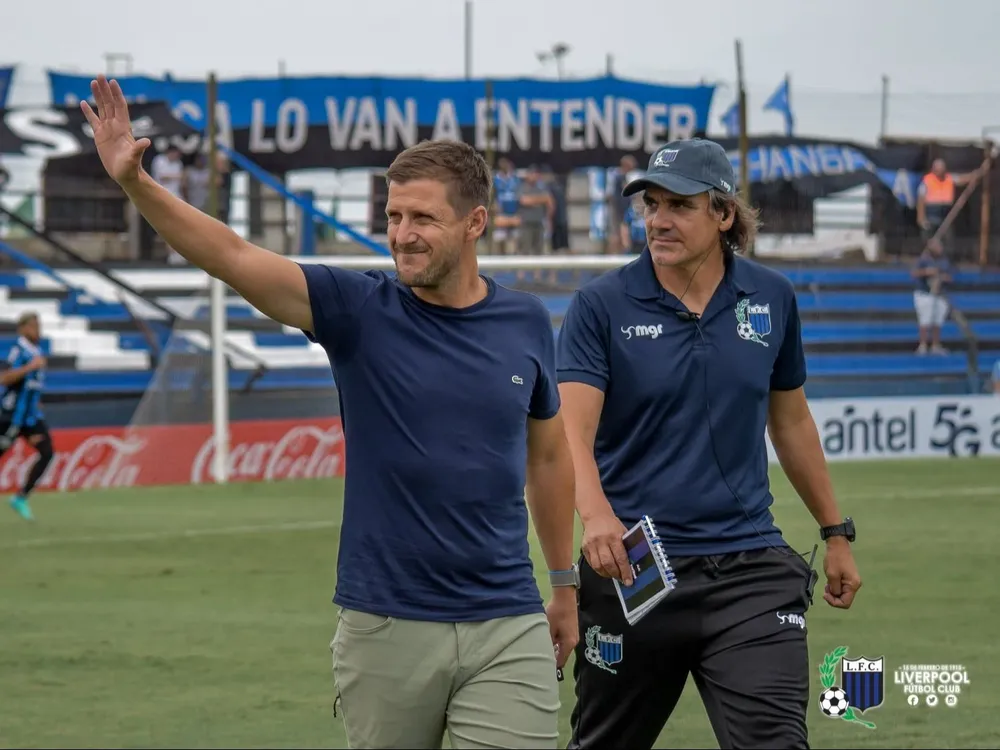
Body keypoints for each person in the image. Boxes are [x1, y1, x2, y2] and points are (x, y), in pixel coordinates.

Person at [81, 75, 578, 750]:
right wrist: (135, 183)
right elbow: (232, 255)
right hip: (386, 626)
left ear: (475, 223)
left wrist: (563, 585)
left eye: (423, 219)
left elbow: (547, 458)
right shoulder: (357, 308)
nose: (402, 235)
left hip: (507, 622)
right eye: (393, 216)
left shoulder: (526, 320)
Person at [557, 138, 862, 749]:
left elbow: (791, 422)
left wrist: (835, 532)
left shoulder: (771, 297)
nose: (658, 220)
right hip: (636, 569)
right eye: (651, 205)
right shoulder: (600, 305)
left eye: (679, 205)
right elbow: (571, 433)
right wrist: (596, 516)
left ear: (724, 214)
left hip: (749, 570)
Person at [2, 312, 54, 520]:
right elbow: (4, 378)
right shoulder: (18, 351)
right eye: (32, 326)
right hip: (12, 415)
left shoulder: (37, 352)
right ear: (22, 328)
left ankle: (21, 497)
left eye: (38, 326)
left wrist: (36, 399)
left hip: (31, 417)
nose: (37, 330)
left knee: (47, 452)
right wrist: (30, 367)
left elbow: (31, 385)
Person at [911, 238, 953, 355]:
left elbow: (950, 276)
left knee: (937, 320)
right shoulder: (923, 260)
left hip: (940, 294)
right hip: (925, 293)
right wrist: (927, 272)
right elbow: (914, 273)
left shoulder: (945, 261)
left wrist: (943, 277)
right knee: (925, 319)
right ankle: (923, 345)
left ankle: (935, 345)